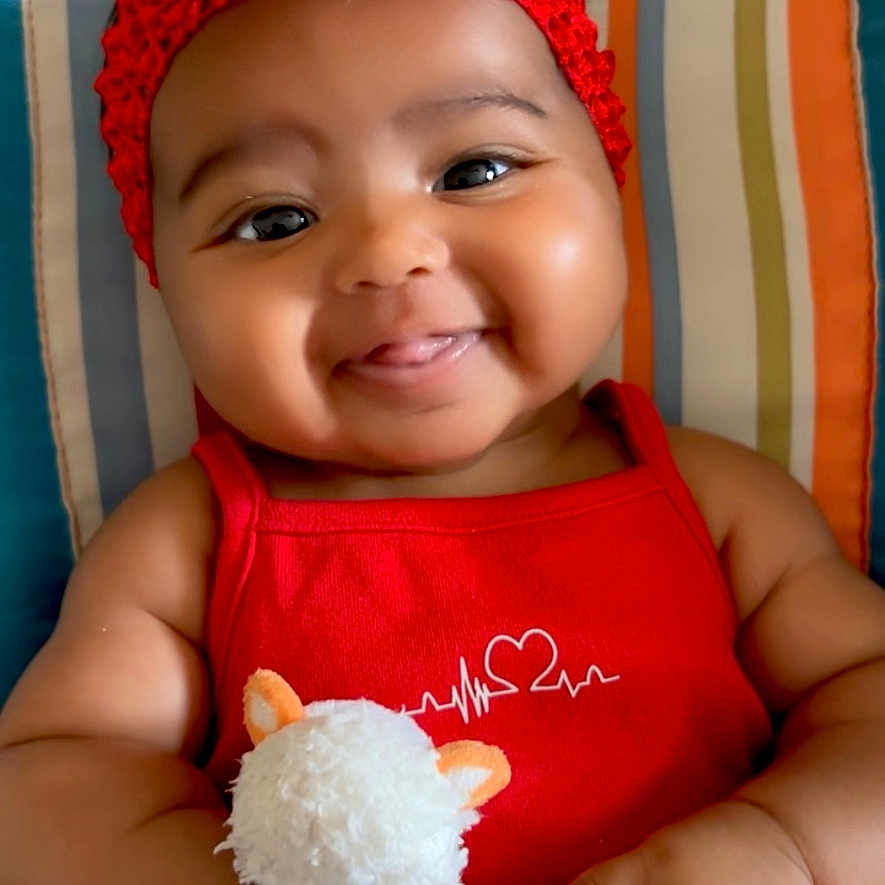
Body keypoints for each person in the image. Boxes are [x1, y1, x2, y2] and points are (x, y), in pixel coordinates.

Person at [1, 0, 883, 882]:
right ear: (166, 285)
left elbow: (865, 697)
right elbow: (52, 777)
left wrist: (783, 845)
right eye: (275, 220)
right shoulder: (190, 542)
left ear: (606, 182)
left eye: (476, 168)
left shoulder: (716, 501)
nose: (386, 253)